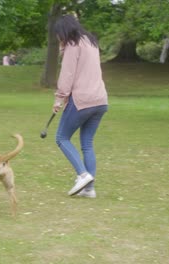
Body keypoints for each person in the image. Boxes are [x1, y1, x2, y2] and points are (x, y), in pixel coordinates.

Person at [52, 14, 108, 198]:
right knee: (87, 144)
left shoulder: (72, 45)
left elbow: (67, 74)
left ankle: (83, 175)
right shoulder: (90, 42)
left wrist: (59, 99)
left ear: (64, 31)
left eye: (59, 35)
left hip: (82, 100)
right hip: (100, 100)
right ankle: (89, 189)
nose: (59, 38)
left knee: (61, 137)